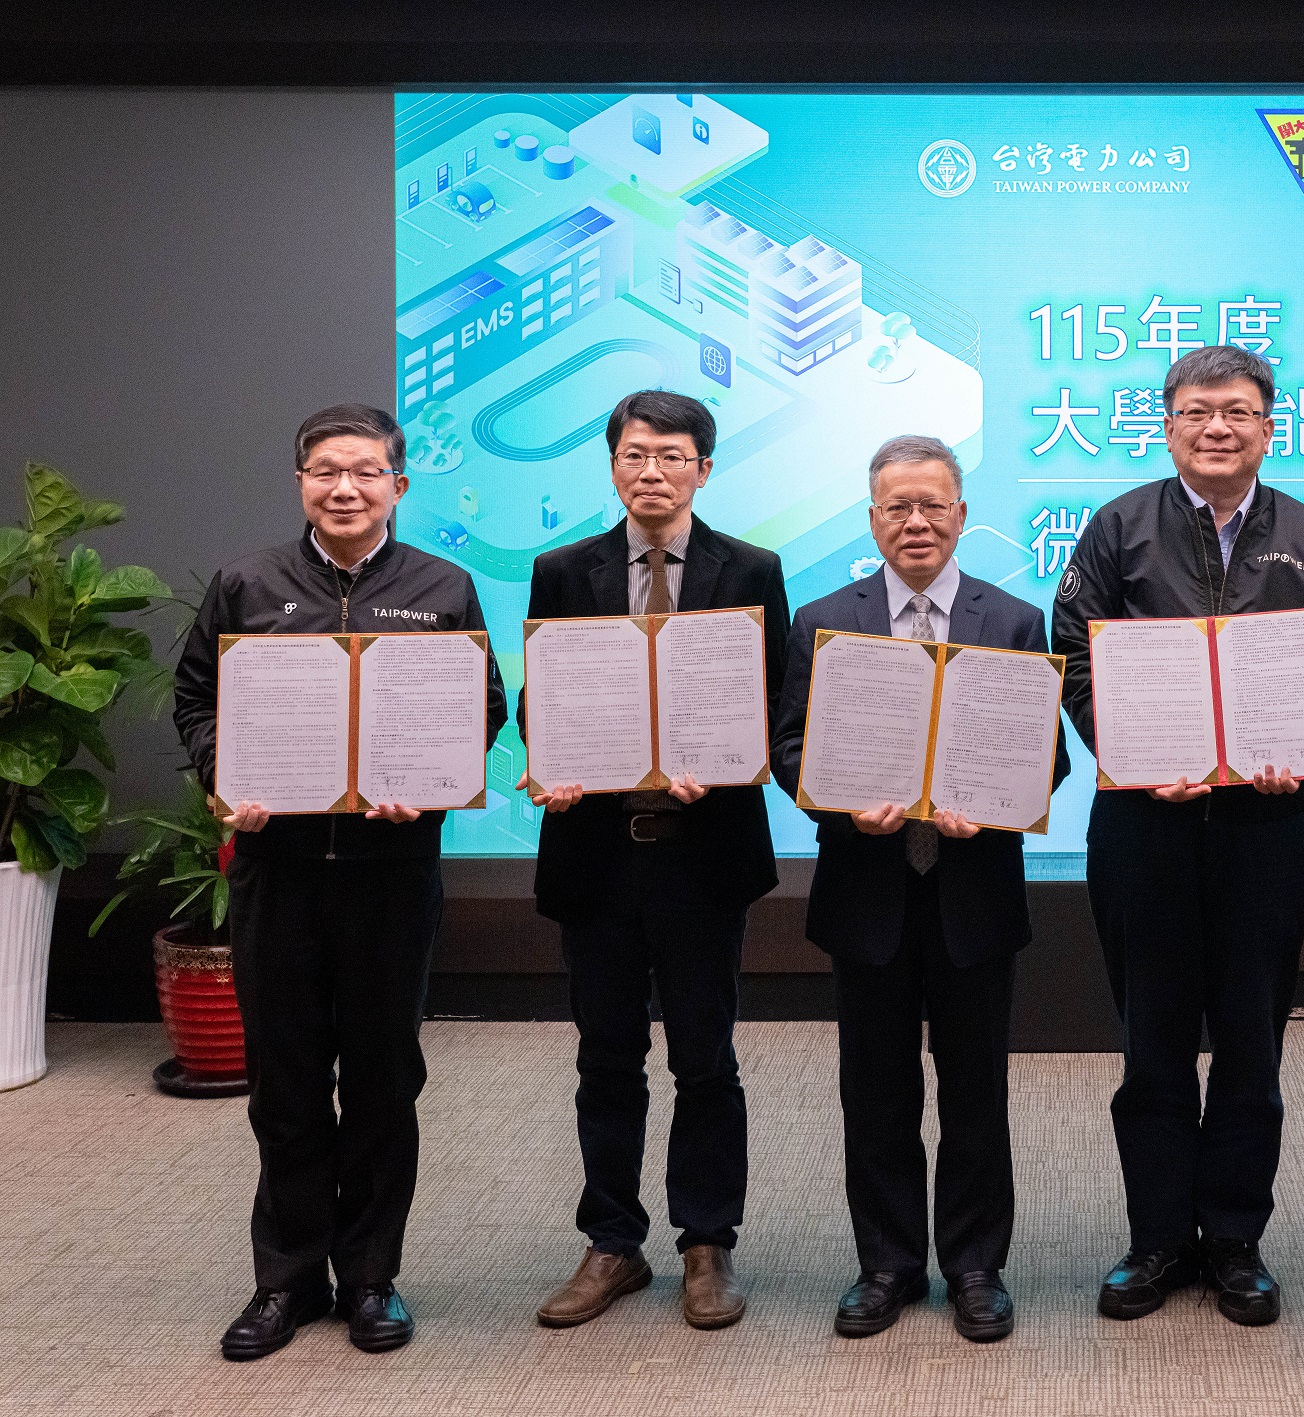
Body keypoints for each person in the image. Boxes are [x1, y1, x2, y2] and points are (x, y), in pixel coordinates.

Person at [1050, 344, 1304, 1327]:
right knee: (1151, 1037)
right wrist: (1139, 748)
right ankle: (1155, 1240)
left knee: (1249, 1039)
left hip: (1264, 828)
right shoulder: (1117, 527)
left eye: (1237, 411)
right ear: (1168, 423)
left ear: (1268, 426)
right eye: (1197, 411)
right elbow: (1073, 657)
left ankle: (1234, 1240)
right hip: (1142, 825)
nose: (1217, 428)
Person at [173, 403, 508, 1360]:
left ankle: (370, 1279)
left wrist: (432, 783)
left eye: (365, 471)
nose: (345, 487)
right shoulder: (248, 582)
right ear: (301, 483)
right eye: (326, 471)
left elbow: (478, 703)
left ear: (400, 484)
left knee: (381, 1077)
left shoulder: (443, 586)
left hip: (391, 876)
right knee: (283, 1081)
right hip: (278, 873)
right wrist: (218, 773)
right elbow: (197, 696)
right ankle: (284, 1280)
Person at [772, 435, 1069, 1343]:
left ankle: (976, 1264)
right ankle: (887, 1264)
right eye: (896, 506)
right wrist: (838, 797)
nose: (915, 522)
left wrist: (994, 802)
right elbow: (788, 746)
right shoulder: (822, 617)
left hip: (974, 894)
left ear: (961, 517)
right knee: (876, 1090)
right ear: (871, 520)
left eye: (932, 505)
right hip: (867, 895)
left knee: (976, 1090)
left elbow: (1046, 755)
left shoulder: (1014, 620)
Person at [520, 390, 790, 1333]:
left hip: (701, 854)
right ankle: (611, 1240)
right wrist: (549, 762)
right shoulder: (563, 569)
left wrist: (717, 769)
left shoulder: (752, 568)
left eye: (673, 456)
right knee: (606, 1055)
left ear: (703, 470)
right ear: (611, 465)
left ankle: (707, 1241)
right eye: (635, 454)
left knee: (706, 1056)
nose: (652, 472)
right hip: (596, 853)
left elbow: (769, 702)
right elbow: (539, 697)